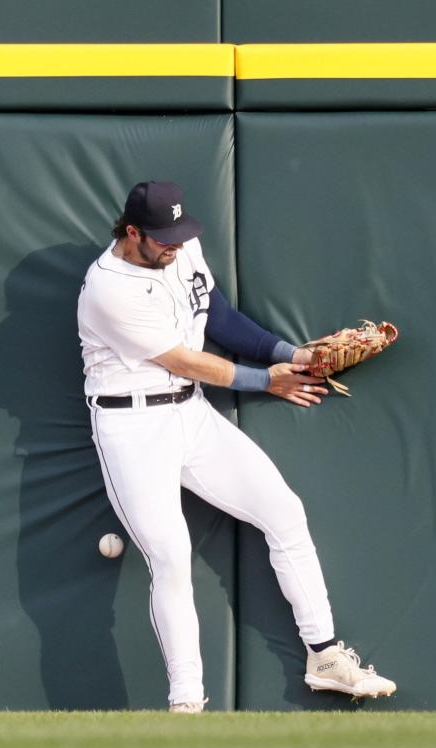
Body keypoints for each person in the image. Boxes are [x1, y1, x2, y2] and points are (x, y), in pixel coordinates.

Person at [77, 180, 396, 712]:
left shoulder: (183, 250)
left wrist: (293, 356)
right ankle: (187, 705)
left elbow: (219, 319)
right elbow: (184, 359)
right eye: (162, 237)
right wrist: (264, 380)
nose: (175, 245)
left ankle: (326, 656)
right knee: (173, 559)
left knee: (285, 512)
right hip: (130, 428)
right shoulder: (107, 288)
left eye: (181, 233)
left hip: (191, 413)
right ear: (133, 232)